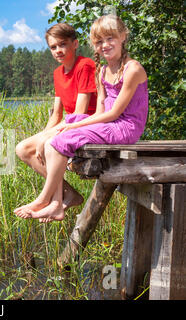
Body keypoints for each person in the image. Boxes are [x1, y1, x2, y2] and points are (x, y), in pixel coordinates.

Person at [15, 14, 148, 223]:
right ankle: (56, 205)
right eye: (99, 41)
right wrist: (69, 126)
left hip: (125, 127)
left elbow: (114, 114)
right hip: (108, 123)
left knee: (62, 138)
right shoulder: (103, 71)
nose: (104, 45)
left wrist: (74, 125)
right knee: (52, 141)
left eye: (110, 38)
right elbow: (99, 112)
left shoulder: (133, 69)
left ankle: (43, 199)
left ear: (123, 36)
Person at [14, 23, 97, 216]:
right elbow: (57, 115)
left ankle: (54, 201)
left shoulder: (85, 65)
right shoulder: (58, 73)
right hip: (69, 122)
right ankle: (66, 196)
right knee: (22, 149)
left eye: (62, 44)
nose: (58, 50)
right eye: (53, 47)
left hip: (87, 123)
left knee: (49, 142)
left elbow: (80, 112)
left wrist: (47, 138)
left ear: (75, 44)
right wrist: (42, 136)